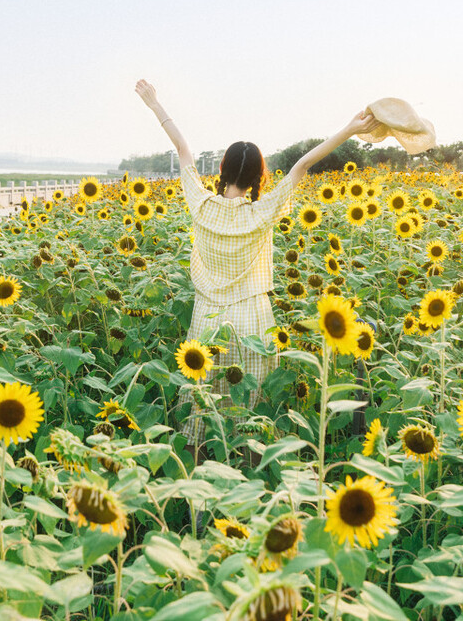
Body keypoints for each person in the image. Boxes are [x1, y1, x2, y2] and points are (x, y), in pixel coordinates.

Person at [135, 79, 378, 460]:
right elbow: (303, 164)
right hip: (253, 322)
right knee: (253, 413)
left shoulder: (200, 205)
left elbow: (182, 148)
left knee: (203, 405)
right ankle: (250, 477)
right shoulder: (263, 213)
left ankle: (202, 488)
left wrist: (154, 103)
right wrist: (349, 128)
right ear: (259, 178)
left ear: (220, 169)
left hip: (208, 319)